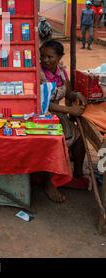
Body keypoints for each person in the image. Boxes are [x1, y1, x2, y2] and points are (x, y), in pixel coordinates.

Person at [40, 40, 88, 203]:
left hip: (58, 115)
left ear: (59, 57)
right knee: (53, 143)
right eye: (43, 56)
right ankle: (48, 184)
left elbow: (67, 93)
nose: (45, 60)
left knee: (80, 138)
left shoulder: (62, 72)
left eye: (50, 56)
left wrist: (75, 95)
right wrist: (69, 110)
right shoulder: (38, 74)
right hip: (43, 114)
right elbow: (43, 102)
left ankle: (77, 175)